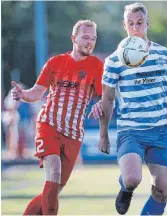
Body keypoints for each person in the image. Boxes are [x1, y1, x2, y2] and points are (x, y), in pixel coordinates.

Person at [89, 3, 167, 215]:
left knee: (162, 191)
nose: (136, 28)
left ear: (147, 23)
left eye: (140, 23)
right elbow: (107, 99)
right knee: (133, 178)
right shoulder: (114, 60)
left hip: (160, 131)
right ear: (124, 25)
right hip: (130, 131)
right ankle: (126, 188)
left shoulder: (165, 55)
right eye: (131, 24)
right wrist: (103, 135)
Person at [11, 20, 103, 215]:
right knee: (53, 173)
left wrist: (103, 104)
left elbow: (105, 97)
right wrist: (22, 94)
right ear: (73, 38)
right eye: (86, 37)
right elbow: (36, 93)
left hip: (74, 133)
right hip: (49, 124)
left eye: (93, 39)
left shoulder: (96, 66)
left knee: (53, 190)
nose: (90, 42)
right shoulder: (55, 62)